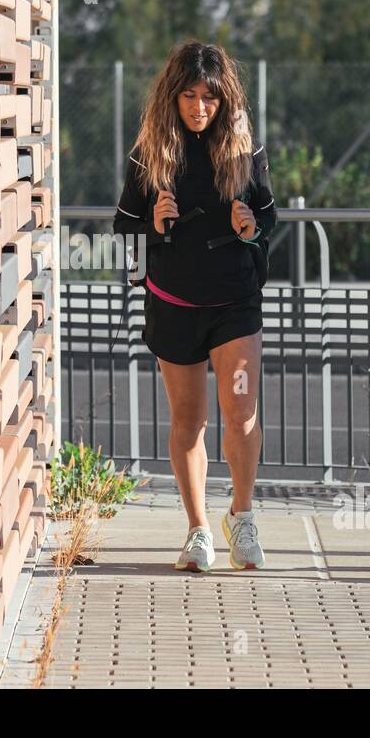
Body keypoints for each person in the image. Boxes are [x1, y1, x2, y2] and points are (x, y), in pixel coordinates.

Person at [112, 39, 276, 572]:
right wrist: (153, 225)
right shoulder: (150, 151)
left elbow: (270, 218)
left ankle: (243, 518)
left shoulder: (245, 147)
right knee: (189, 420)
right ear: (172, 96)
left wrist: (251, 226)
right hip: (175, 300)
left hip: (234, 301)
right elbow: (124, 227)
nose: (199, 107)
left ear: (224, 97)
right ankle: (198, 529)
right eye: (189, 96)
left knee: (241, 411)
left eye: (210, 96)